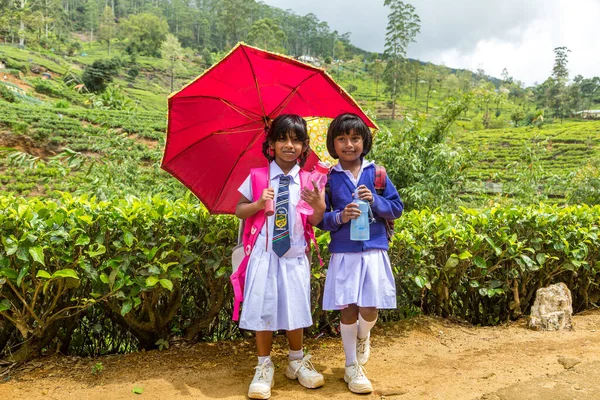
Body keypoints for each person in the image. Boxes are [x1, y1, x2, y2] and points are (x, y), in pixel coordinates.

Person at [235, 114, 326, 399]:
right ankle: (264, 365)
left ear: (304, 146)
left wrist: (320, 205)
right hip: (264, 254)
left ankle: (296, 360)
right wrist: (259, 203)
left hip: (294, 255)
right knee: (263, 307)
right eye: (283, 139)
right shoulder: (257, 177)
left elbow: (315, 221)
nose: (289, 145)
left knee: (295, 307)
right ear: (271, 144)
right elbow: (239, 210)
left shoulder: (311, 180)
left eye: (296, 140)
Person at [318, 113, 403, 394]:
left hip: (374, 250)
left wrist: (375, 200)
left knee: (370, 307)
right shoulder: (328, 178)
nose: (349, 144)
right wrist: (340, 216)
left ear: (364, 141)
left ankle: (363, 336)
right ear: (333, 144)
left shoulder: (377, 173)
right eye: (341, 139)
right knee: (348, 308)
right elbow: (321, 220)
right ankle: (351, 366)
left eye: (355, 138)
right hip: (344, 253)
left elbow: (397, 209)